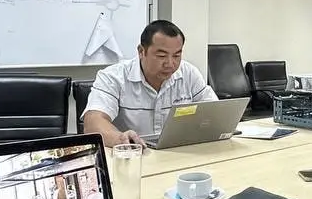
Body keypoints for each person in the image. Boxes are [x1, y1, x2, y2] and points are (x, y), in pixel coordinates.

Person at [82, 20, 216, 147]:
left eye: (176, 55)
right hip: (133, 154)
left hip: (179, 153)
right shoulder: (113, 77)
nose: (170, 64)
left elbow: (215, 112)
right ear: (141, 51)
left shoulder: (189, 73)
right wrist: (120, 139)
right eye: (161, 56)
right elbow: (93, 123)